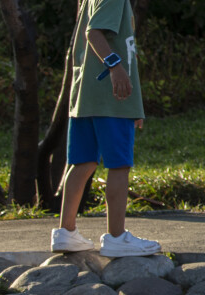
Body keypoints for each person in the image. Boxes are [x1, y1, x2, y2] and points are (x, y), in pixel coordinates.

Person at [50, 0, 161, 258]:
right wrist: (116, 68)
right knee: (119, 164)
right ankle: (116, 236)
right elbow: (94, 32)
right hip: (111, 96)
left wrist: (136, 106)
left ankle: (66, 233)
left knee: (83, 163)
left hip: (86, 94)